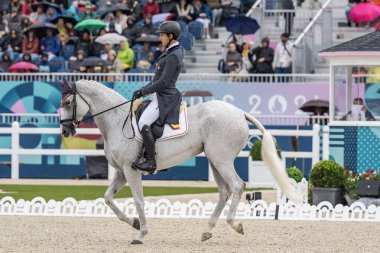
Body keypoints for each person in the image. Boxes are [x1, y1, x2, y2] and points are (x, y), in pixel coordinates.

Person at [132, 21, 183, 172]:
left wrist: (143, 91)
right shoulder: (169, 52)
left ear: (170, 36)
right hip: (158, 95)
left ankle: (151, 162)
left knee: (143, 123)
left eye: (162, 35)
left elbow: (163, 82)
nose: (160, 38)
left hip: (164, 97)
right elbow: (158, 79)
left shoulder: (174, 54)